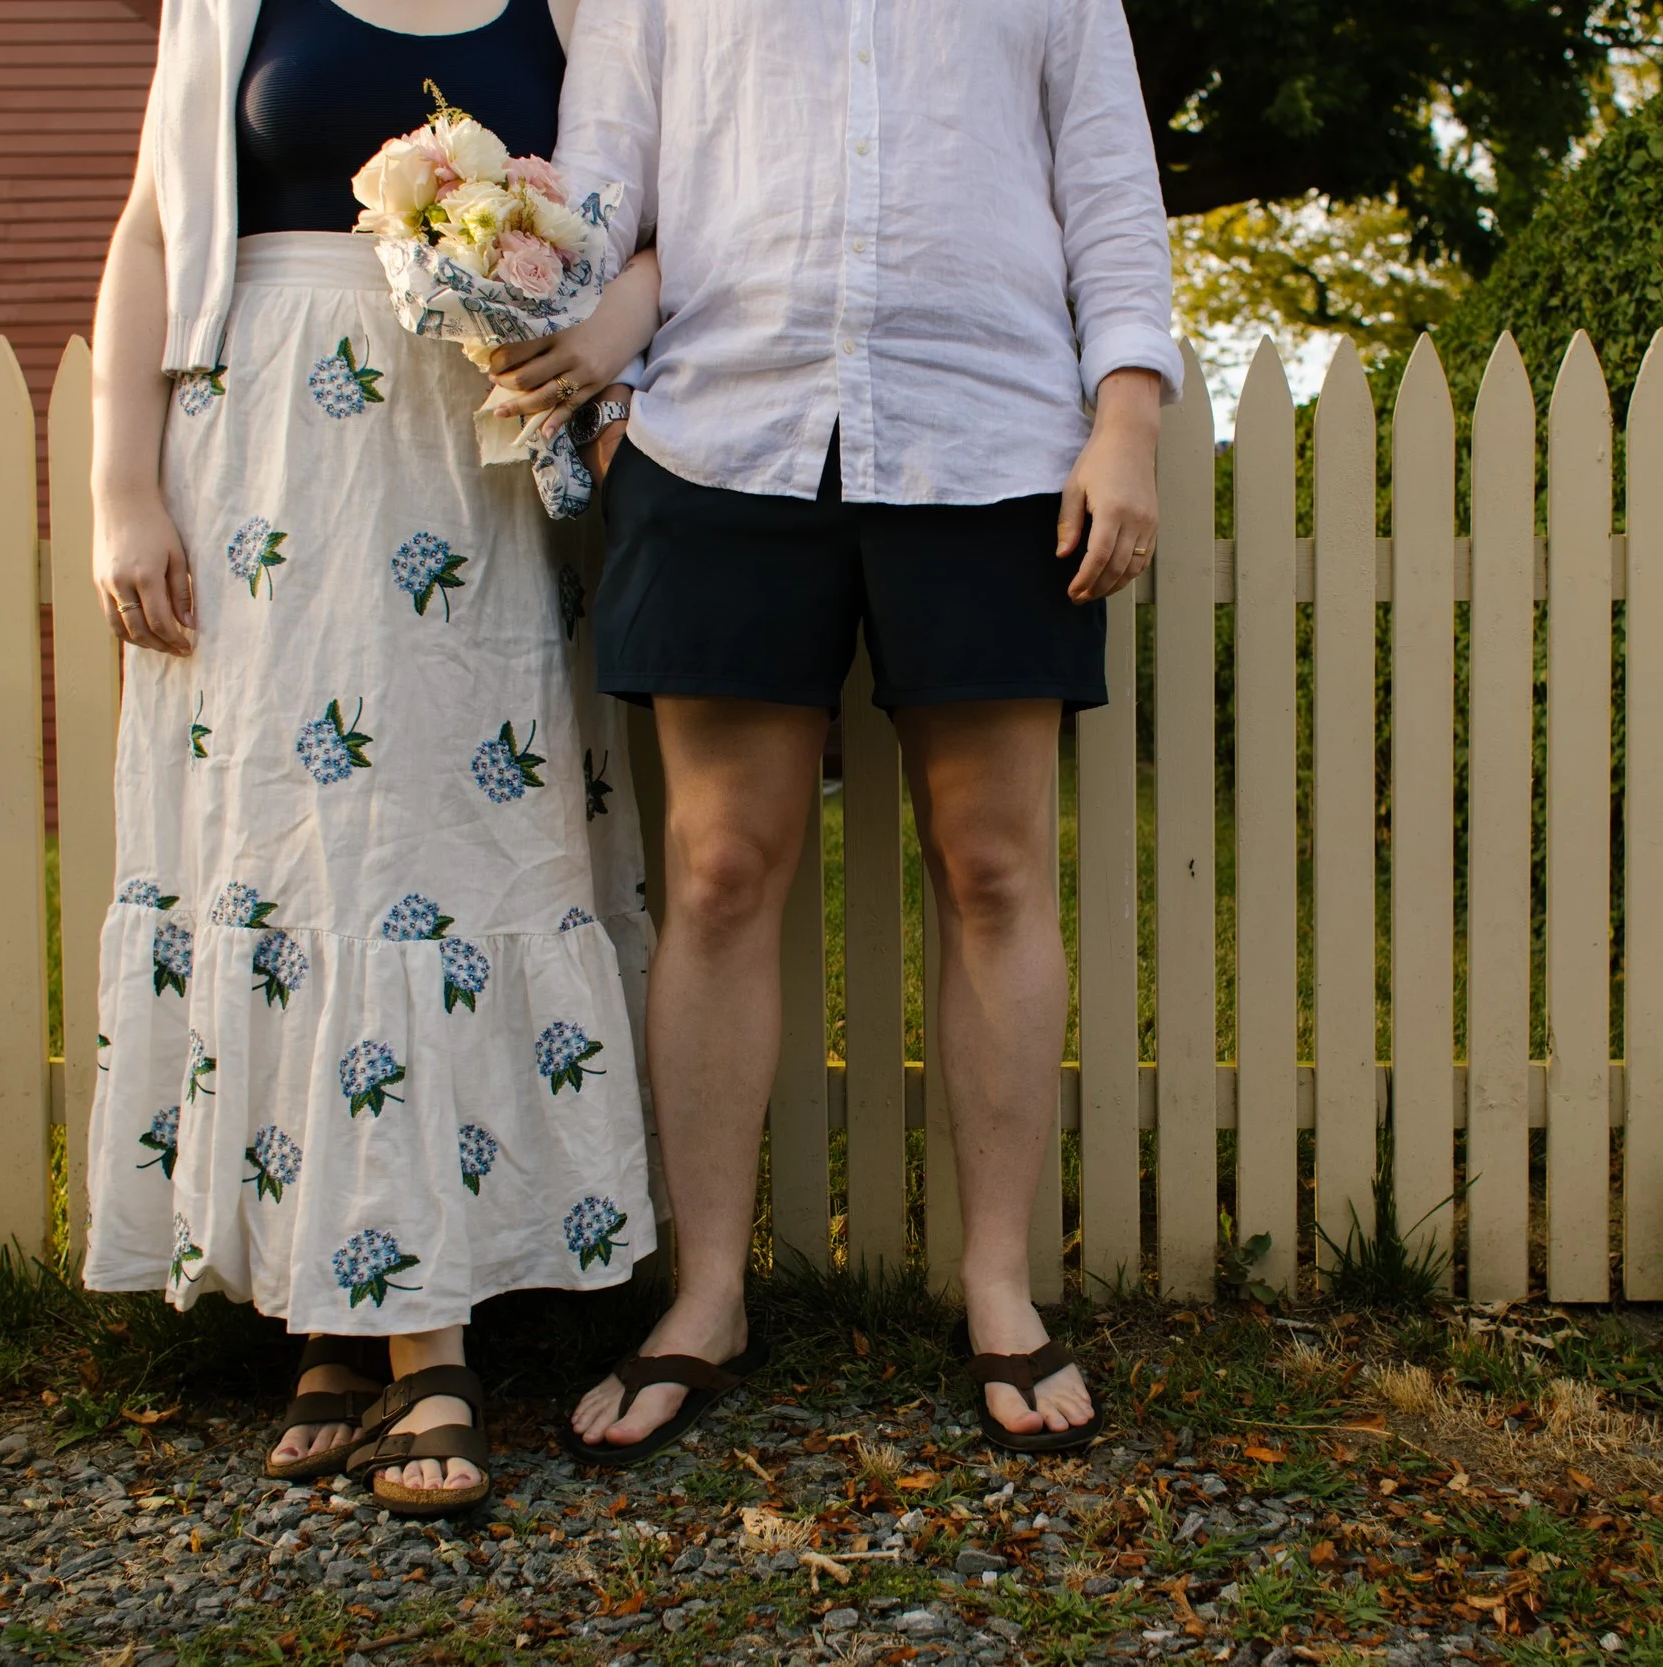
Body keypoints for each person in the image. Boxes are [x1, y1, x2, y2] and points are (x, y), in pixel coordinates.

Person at [495, 0, 1179, 1460]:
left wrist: (1127, 413)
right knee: (721, 870)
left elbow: (1112, 184)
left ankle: (997, 1283)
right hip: (722, 432)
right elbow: (601, 177)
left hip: (993, 434)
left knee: (993, 870)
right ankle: (709, 1293)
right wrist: (608, 381)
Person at [81, 0, 663, 1516]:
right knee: (296, 847)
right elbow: (152, 226)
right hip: (271, 456)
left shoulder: (575, 6)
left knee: (432, 850)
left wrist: (603, 318)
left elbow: (664, 208)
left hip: (474, 462)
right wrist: (121, 488)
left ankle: (422, 1330)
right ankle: (337, 1312)